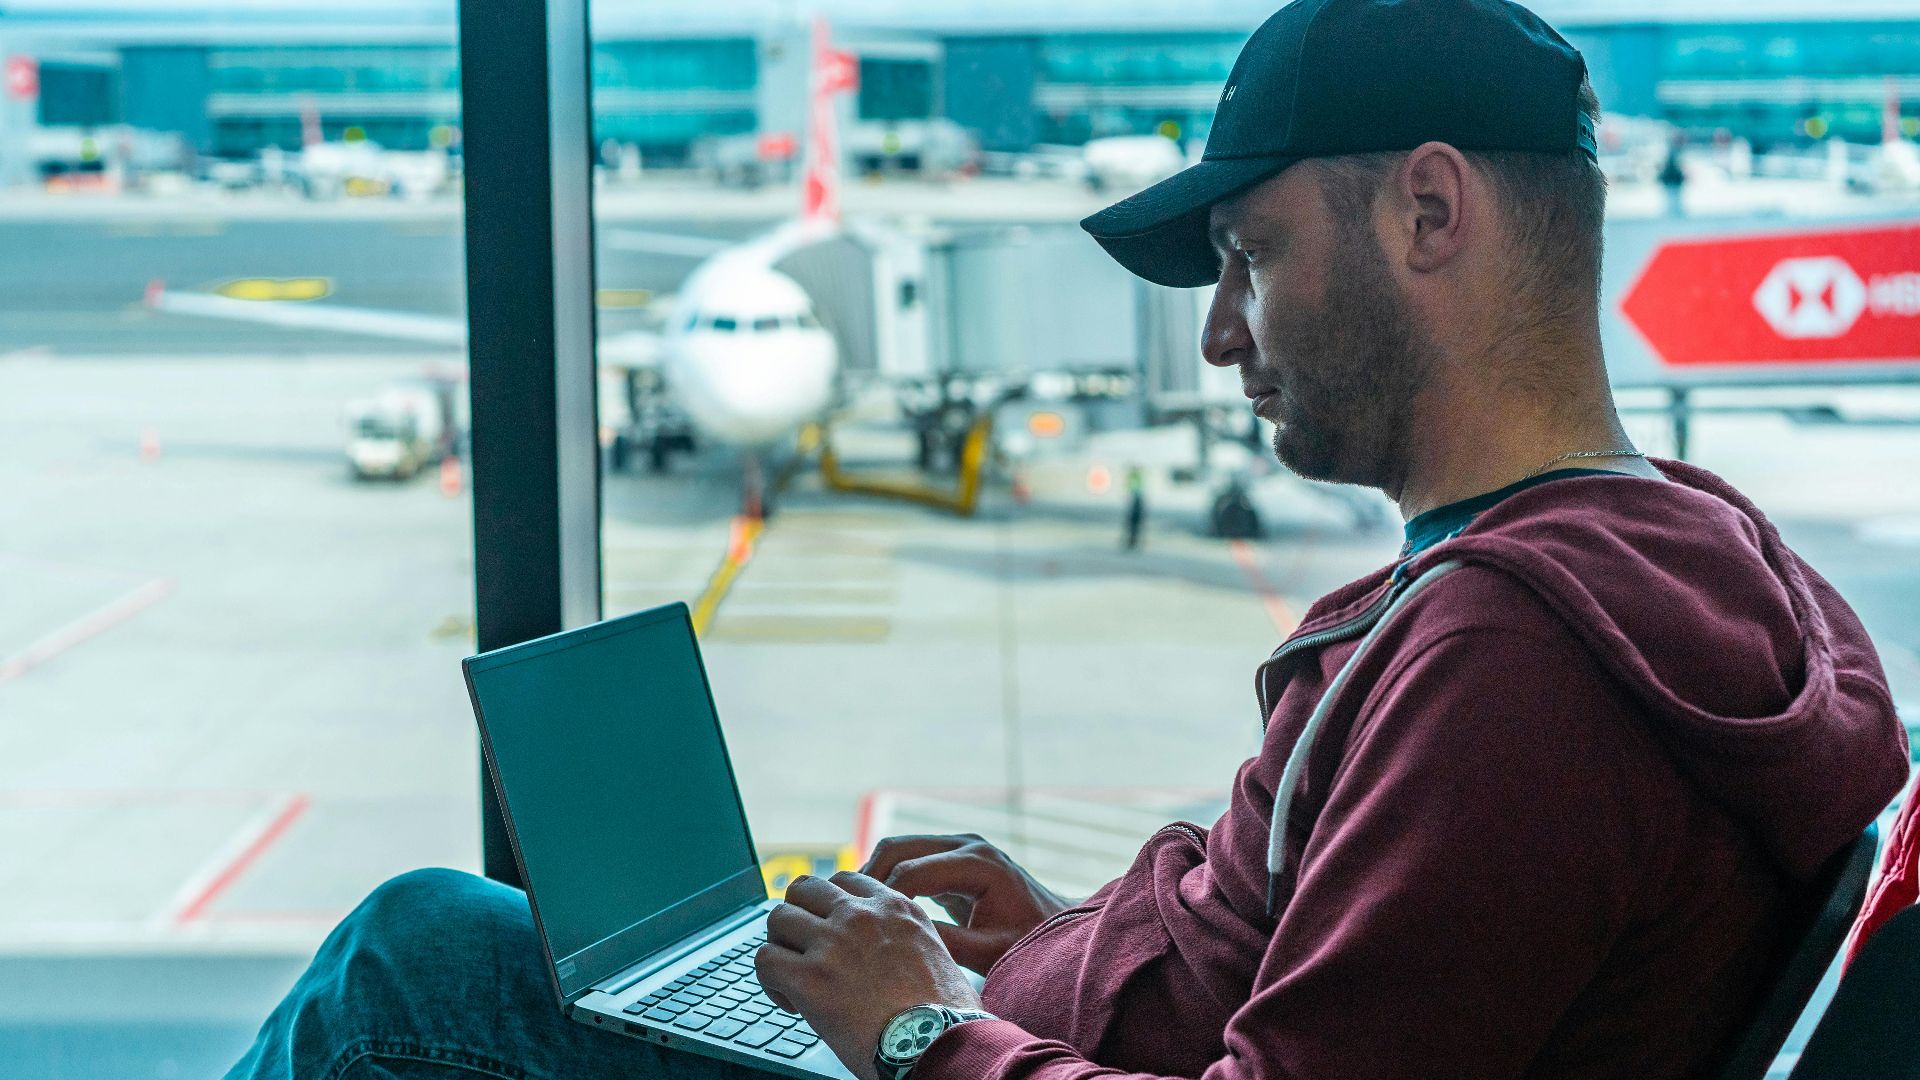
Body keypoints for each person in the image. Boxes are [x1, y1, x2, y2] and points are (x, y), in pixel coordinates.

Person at [226, 2, 1911, 1078]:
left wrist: (913, 1027)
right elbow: (1328, 975)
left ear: (1428, 211)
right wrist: (1058, 940)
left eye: (1250, 257)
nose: (1219, 337)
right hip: (1021, 1030)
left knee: (417, 957)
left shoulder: (1519, 670)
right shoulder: (1705, 552)